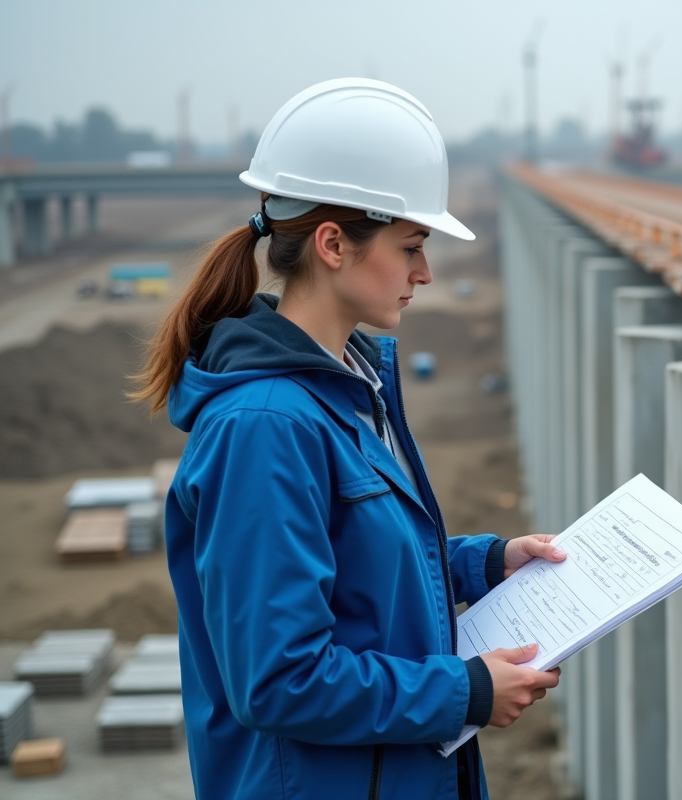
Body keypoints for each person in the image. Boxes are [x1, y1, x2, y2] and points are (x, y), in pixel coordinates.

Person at [133, 78, 564, 800]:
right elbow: (279, 678)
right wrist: (464, 693)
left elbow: (353, 567)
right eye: (411, 247)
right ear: (333, 244)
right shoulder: (265, 428)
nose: (424, 274)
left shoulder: (342, 385)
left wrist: (485, 564)